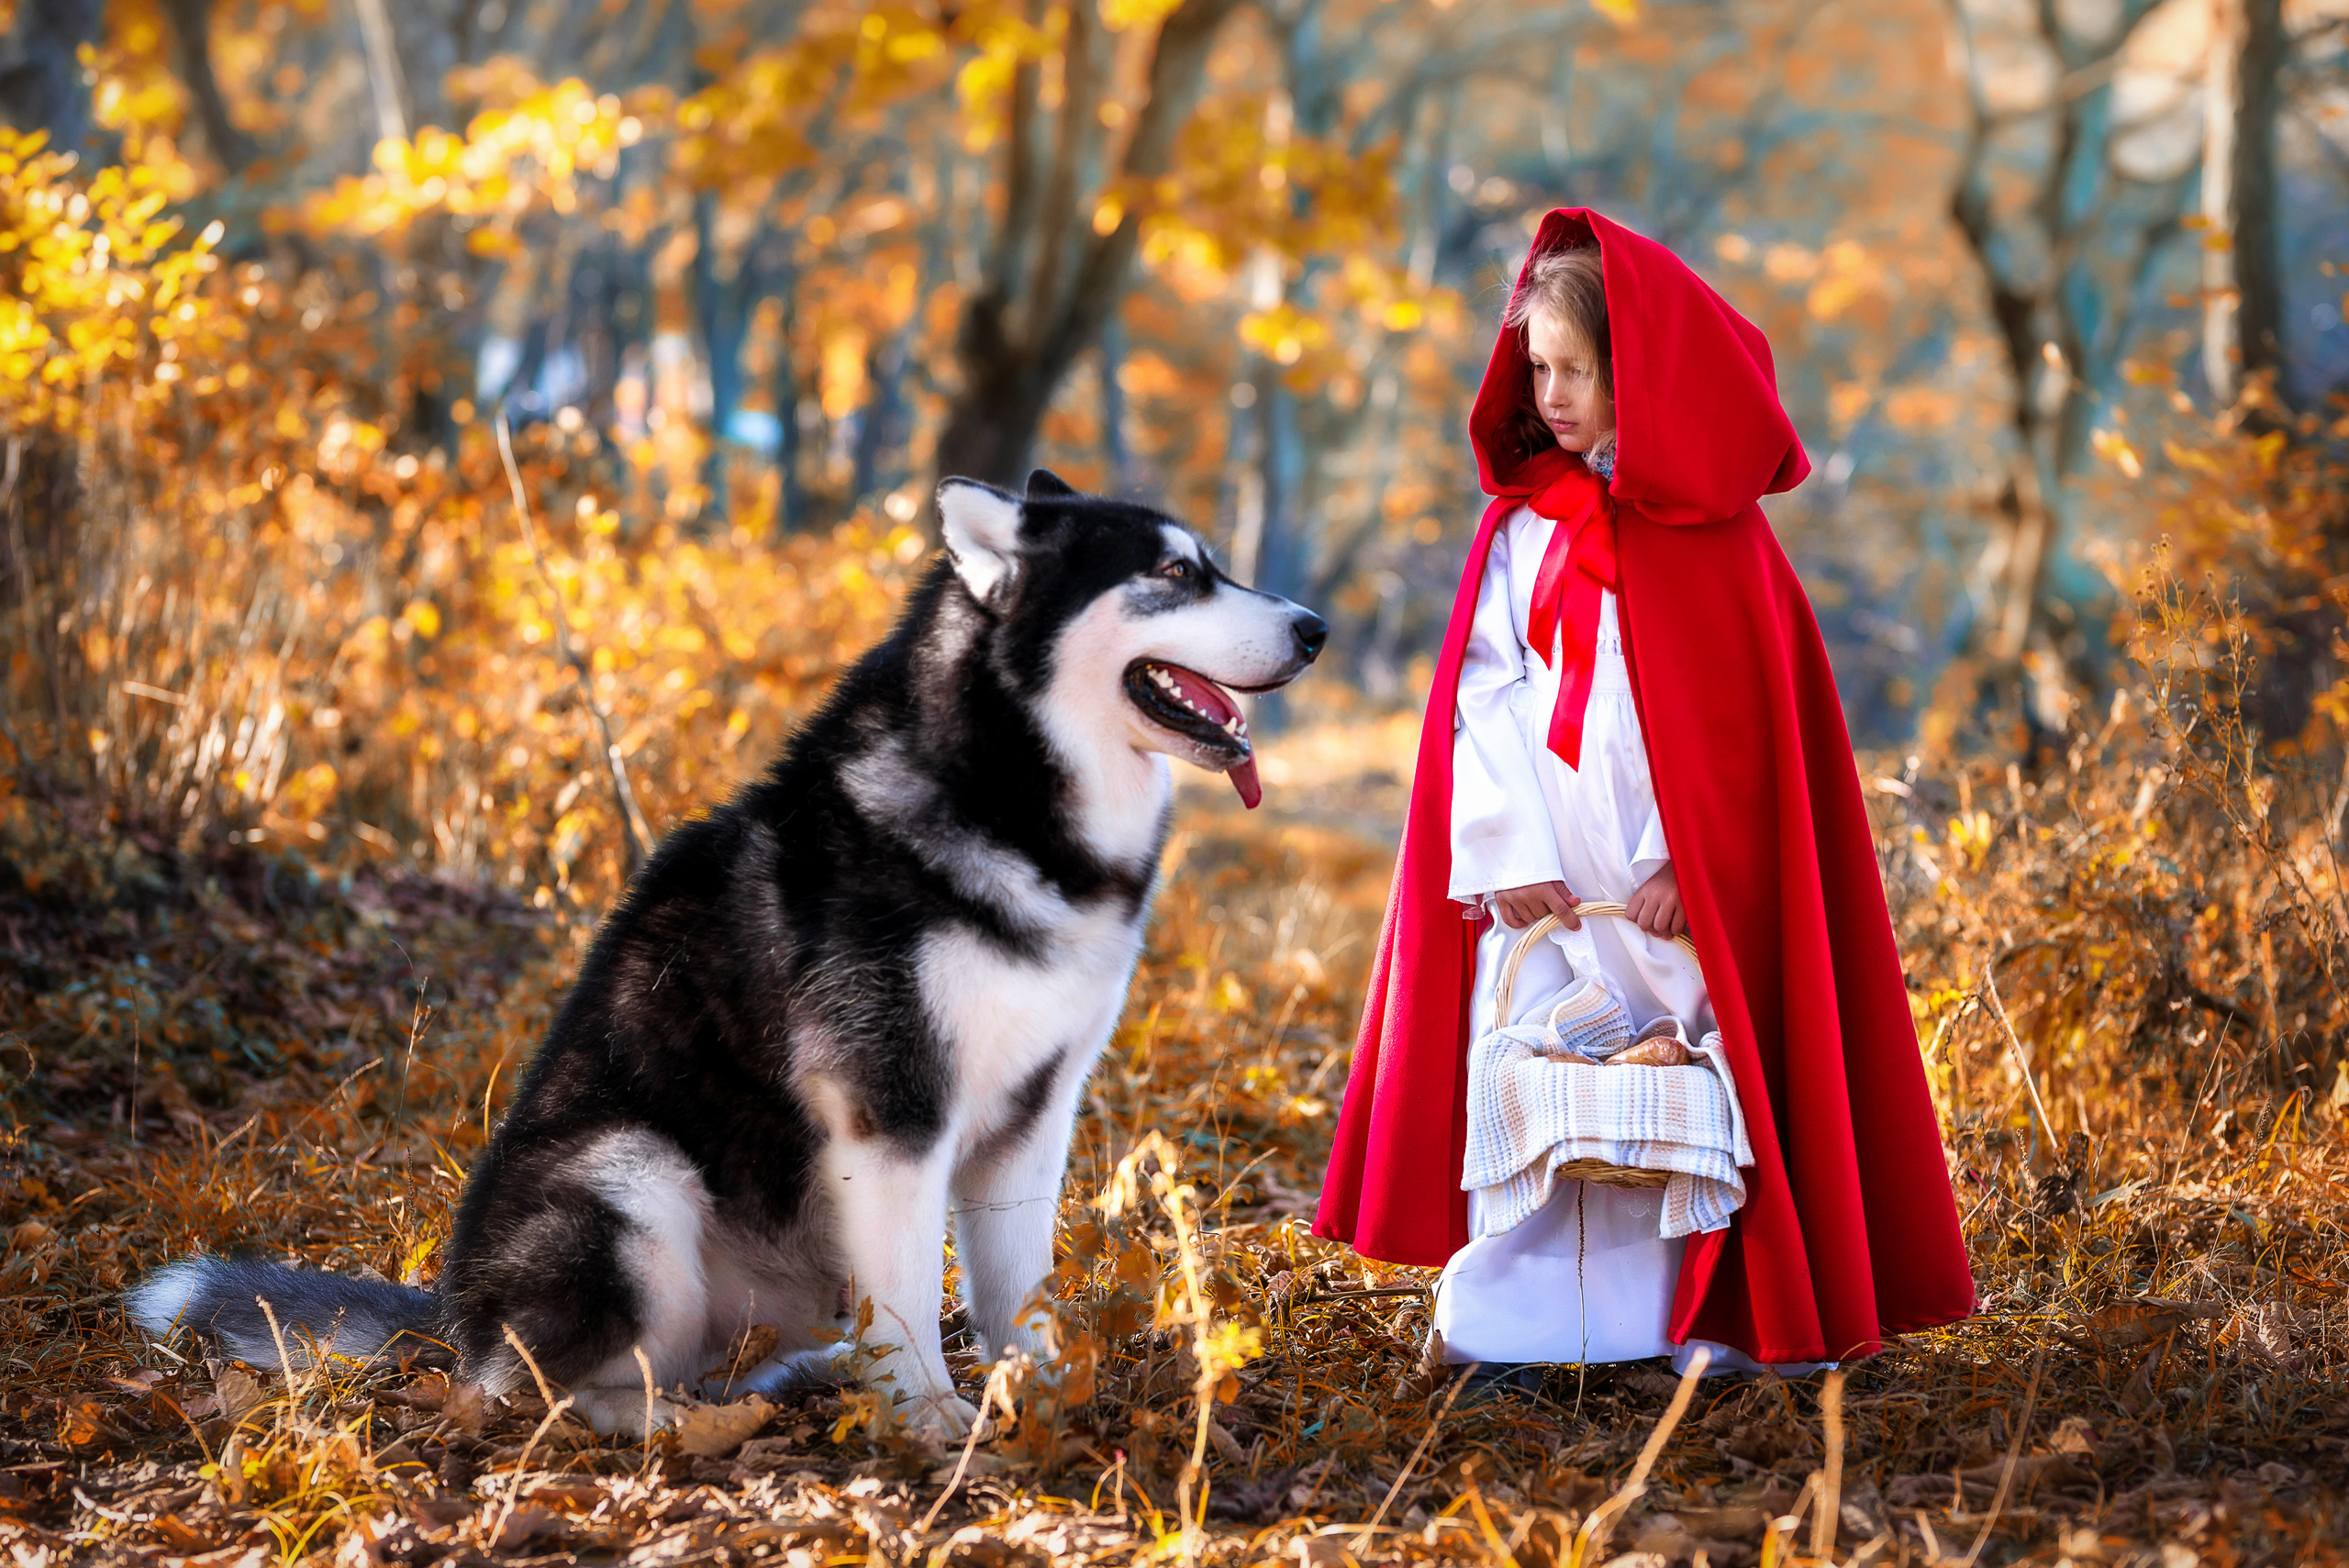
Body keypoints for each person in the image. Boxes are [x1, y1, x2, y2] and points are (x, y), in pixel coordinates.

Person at [1314, 208, 1974, 1384]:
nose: (1553, 395)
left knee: (1693, 1063)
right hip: (1553, 870)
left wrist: (1689, 857)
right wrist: (1505, 843)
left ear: (1645, 377)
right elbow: (1485, 690)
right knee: (1544, 1052)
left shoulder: (1726, 546)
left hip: (1671, 880)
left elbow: (1740, 739)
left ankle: (1710, 1309)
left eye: (1578, 370)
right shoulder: (1521, 530)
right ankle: (1530, 1311)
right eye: (1539, 370)